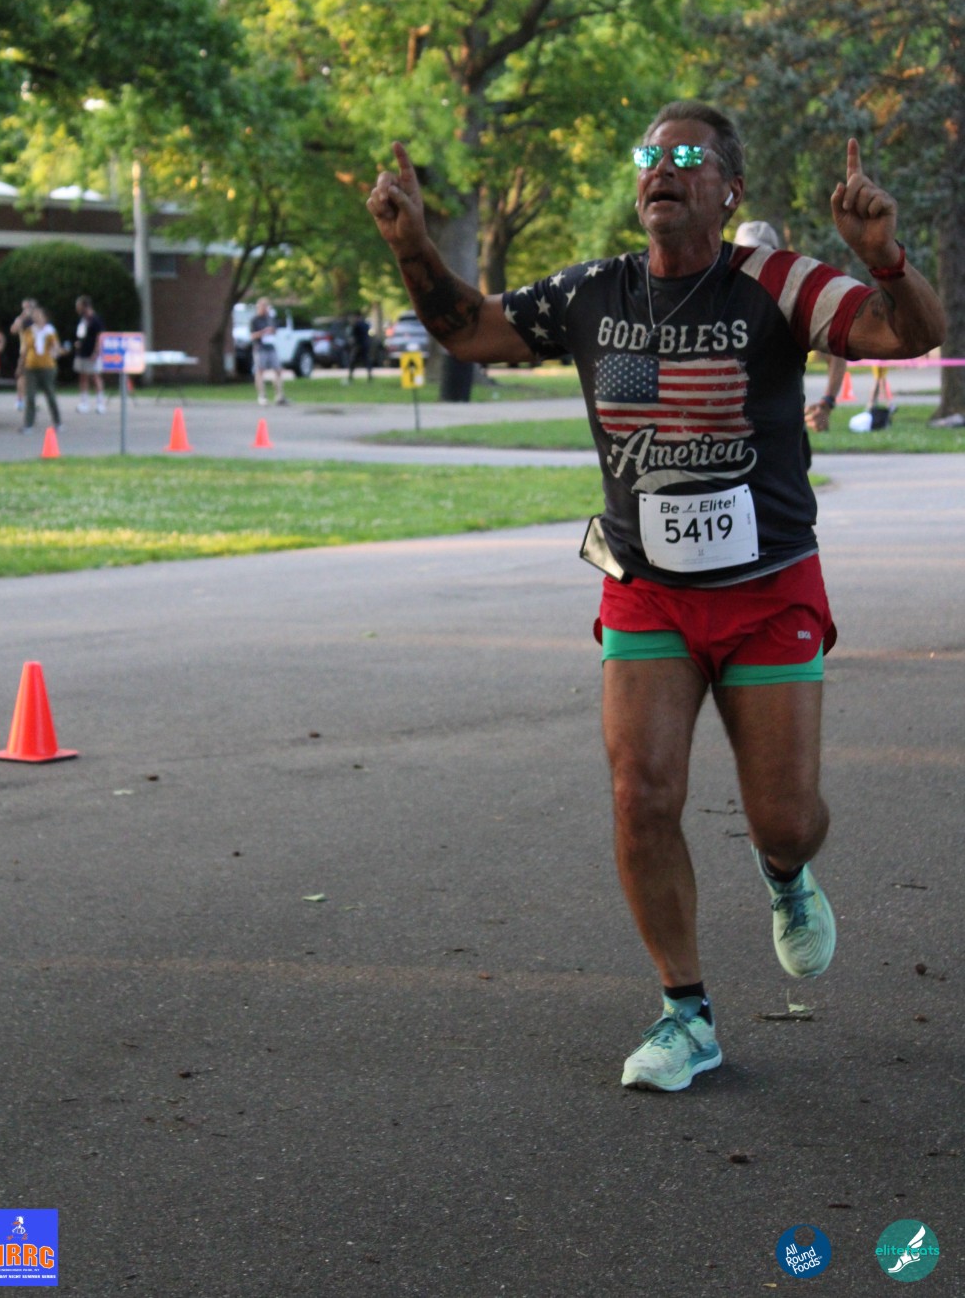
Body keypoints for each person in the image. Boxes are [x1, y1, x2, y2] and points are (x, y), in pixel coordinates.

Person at [367, 99, 946, 1091]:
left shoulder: (775, 282)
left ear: (729, 190)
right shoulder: (594, 294)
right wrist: (413, 246)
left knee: (784, 818)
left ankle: (784, 872)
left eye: (687, 155)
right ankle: (687, 1015)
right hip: (646, 591)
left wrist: (882, 257)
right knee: (641, 793)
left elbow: (909, 334)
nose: (662, 168)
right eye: (650, 152)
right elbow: (472, 331)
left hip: (767, 588)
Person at [734, 220, 851, 439]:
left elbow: (836, 354)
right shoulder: (721, 301)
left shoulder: (792, 304)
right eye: (746, 254)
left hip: (784, 439)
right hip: (730, 441)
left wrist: (827, 402)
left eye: (761, 255)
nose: (753, 263)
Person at [20, 304, 63, 433]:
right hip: (31, 366)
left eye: (39, 315)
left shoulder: (49, 331)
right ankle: (28, 424)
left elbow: (56, 346)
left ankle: (58, 422)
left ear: (44, 317)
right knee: (30, 396)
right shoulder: (29, 331)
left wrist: (55, 351)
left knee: (50, 395)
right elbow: (24, 349)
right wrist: (20, 365)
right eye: (34, 315)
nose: (36, 317)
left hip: (47, 367)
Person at [73, 295, 106, 413]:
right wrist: (79, 343)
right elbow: (81, 334)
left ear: (84, 306)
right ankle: (84, 403)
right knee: (83, 377)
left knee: (95, 376)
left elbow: (99, 337)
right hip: (82, 352)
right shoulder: (83, 320)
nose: (77, 308)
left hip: (92, 353)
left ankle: (100, 403)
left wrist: (96, 352)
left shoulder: (95, 319)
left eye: (78, 306)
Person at [250, 297, 286, 405]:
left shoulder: (270, 319)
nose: (265, 309)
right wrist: (262, 332)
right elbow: (252, 336)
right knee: (260, 371)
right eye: (263, 306)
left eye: (266, 306)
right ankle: (262, 396)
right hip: (260, 348)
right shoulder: (255, 320)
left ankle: (279, 396)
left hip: (271, 347)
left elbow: (275, 330)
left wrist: (272, 331)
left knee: (278, 370)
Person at [10, 298, 37, 413]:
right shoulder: (21, 319)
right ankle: (20, 400)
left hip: (37, 352)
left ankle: (30, 401)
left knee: (34, 377)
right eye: (25, 307)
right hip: (25, 351)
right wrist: (22, 317)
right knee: (22, 376)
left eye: (29, 307)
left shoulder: (37, 319)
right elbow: (13, 330)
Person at [347, 313, 374, 382]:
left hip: (358, 345)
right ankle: (370, 376)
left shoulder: (356, 325)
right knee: (366, 360)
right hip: (366, 345)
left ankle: (350, 377)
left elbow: (354, 337)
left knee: (353, 361)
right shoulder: (366, 325)